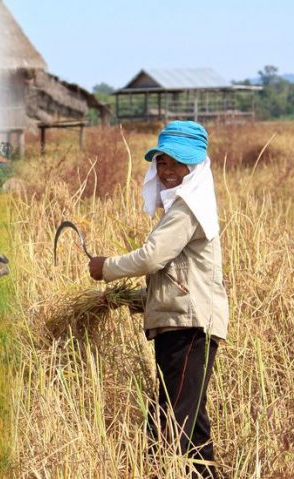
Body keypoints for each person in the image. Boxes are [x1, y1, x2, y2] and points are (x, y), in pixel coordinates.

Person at [88, 121, 227, 478]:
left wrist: (107, 268)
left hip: (190, 327)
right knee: (190, 421)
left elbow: (151, 258)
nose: (166, 171)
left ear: (193, 167)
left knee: (170, 422)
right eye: (161, 163)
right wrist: (128, 299)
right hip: (181, 322)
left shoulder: (187, 208)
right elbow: (174, 279)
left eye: (176, 164)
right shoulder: (184, 207)